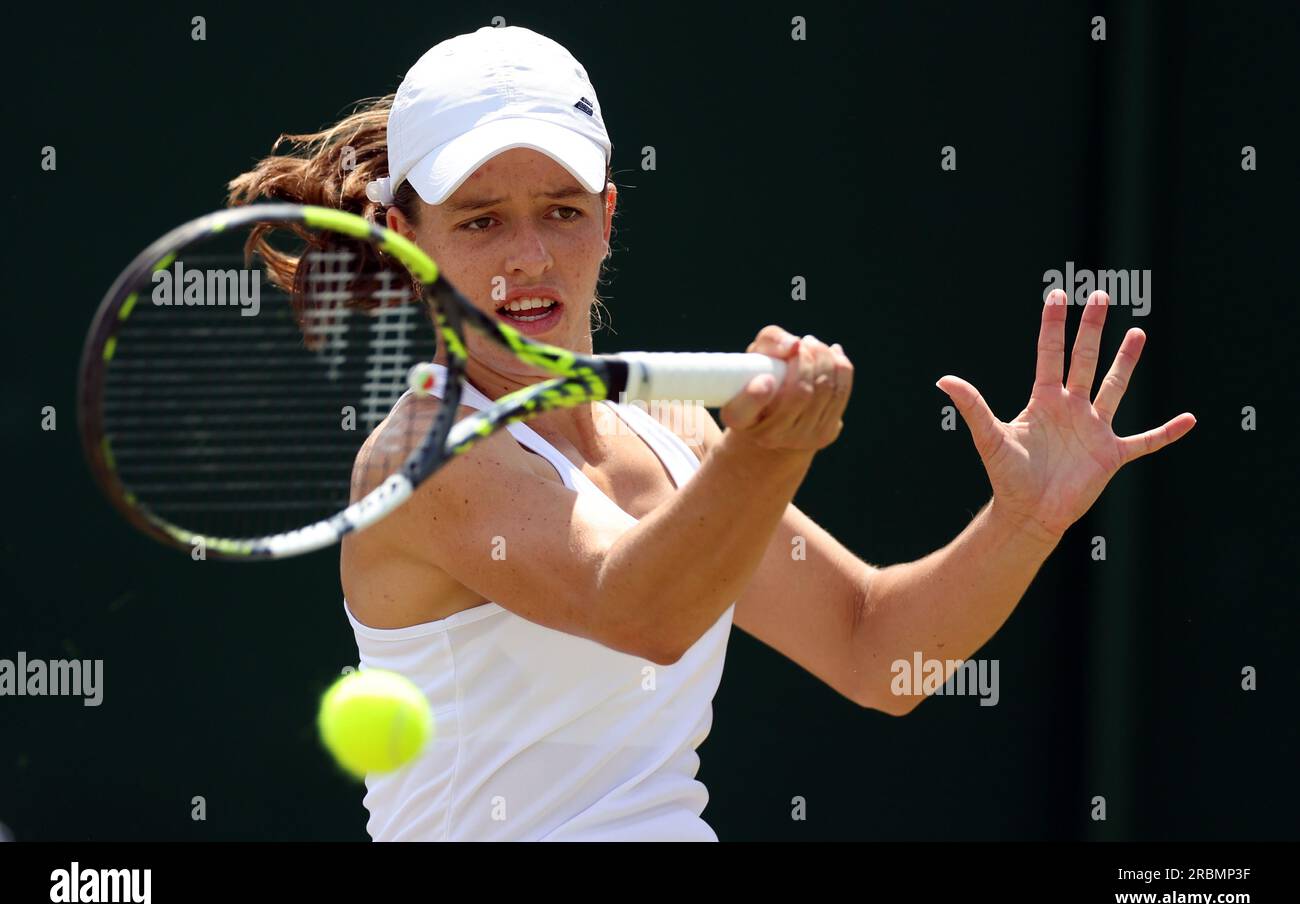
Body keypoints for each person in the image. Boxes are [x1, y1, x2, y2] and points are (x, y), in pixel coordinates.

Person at [227, 25, 1195, 841]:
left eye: (561, 211)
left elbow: (873, 646)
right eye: (480, 222)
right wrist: (765, 451)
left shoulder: (669, 427)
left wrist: (1023, 518)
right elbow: (637, 606)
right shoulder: (423, 458)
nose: (530, 257)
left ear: (607, 217)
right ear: (405, 232)